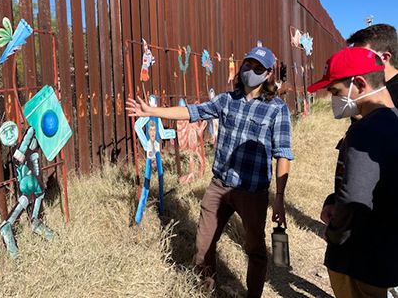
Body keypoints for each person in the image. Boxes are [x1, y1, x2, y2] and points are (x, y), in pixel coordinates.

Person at [126, 45, 294, 297]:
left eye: (259, 68)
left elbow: (283, 153)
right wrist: (152, 111)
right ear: (241, 66)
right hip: (219, 186)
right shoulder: (226, 100)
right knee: (203, 245)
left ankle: (254, 294)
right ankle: (208, 290)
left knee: (255, 250)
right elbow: (190, 112)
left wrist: (279, 198)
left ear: (268, 74)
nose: (252, 71)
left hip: (252, 191)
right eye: (248, 64)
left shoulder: (276, 108)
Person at [307, 47, 398, 297]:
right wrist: (332, 199)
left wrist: (334, 234)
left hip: (357, 261)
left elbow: (354, 199)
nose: (333, 98)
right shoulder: (393, 121)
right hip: (383, 258)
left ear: (359, 83)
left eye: (335, 91)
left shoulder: (366, 129)